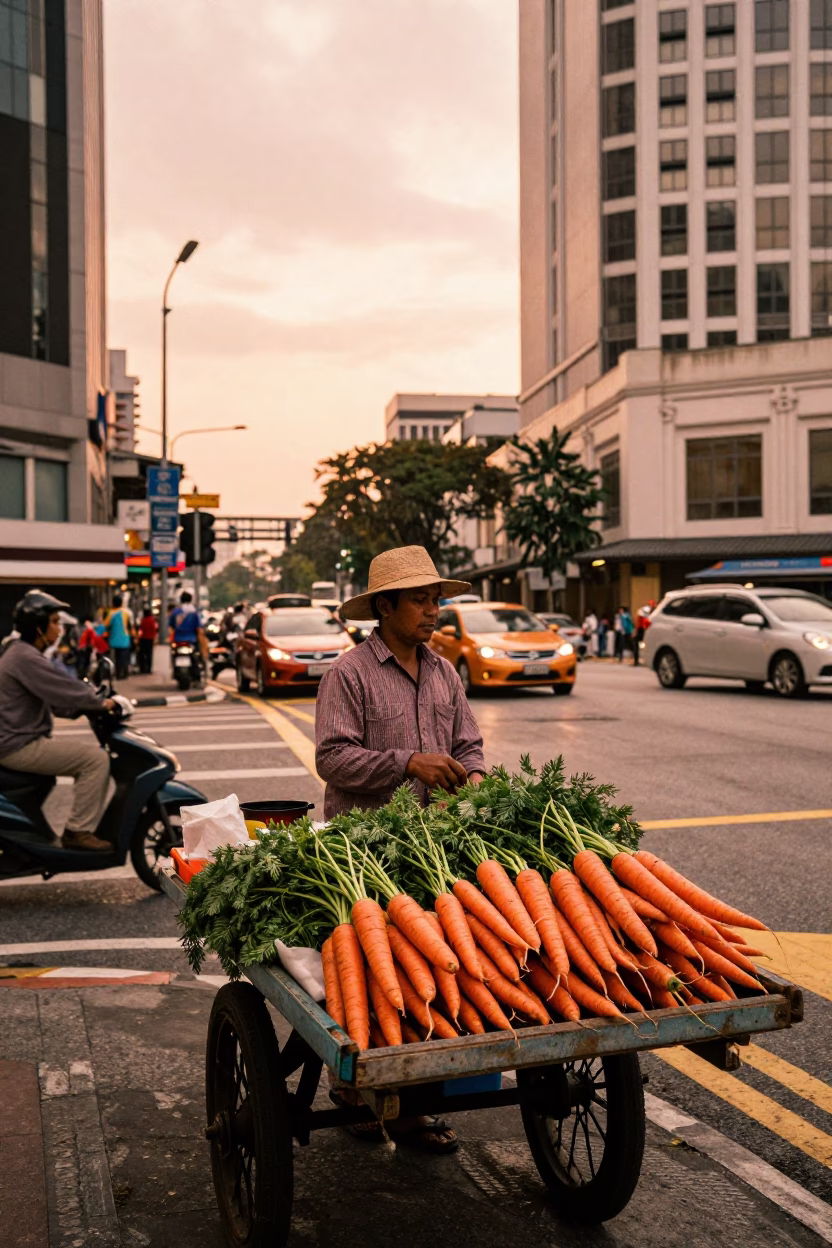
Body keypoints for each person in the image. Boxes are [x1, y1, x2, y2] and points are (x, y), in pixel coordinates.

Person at [316, 545, 486, 1152]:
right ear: (384, 606)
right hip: (366, 854)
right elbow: (331, 758)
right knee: (377, 977)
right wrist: (405, 762)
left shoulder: (444, 674)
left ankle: (415, 1095)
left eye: (436, 598)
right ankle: (360, 1090)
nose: (433, 610)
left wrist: (477, 780)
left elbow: (470, 746)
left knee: (436, 972)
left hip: (434, 848)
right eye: (420, 599)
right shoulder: (349, 673)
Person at [0, 590, 118, 851]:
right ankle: (78, 831)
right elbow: (63, 687)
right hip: (17, 745)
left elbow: (53, 697)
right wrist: (101, 702)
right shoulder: (25, 657)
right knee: (95, 759)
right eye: (54, 622)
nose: (59, 628)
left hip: (15, 740)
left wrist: (76, 708)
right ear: (39, 628)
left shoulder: (20, 652)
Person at [169, 591, 209, 669]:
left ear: (181, 600)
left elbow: (171, 627)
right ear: (190, 600)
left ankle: (173, 667)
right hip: (192, 640)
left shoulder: (176, 612)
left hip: (178, 640)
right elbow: (199, 628)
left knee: (173, 653)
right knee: (197, 656)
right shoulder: (194, 612)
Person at [106, 594, 134, 680]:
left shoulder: (111, 613)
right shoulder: (127, 612)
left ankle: (118, 674)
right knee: (124, 657)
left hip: (114, 639)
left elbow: (107, 625)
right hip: (125, 638)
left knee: (116, 658)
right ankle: (124, 673)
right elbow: (131, 625)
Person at [137, 607, 158, 674]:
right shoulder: (152, 620)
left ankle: (142, 669)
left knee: (142, 654)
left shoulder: (143, 620)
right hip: (150, 639)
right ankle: (149, 669)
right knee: (149, 654)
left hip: (143, 639)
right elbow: (154, 629)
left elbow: (140, 629)